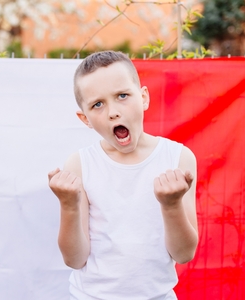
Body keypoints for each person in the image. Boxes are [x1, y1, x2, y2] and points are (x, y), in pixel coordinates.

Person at [48, 50, 198, 299]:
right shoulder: (80, 164)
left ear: (144, 98)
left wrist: (171, 206)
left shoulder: (178, 159)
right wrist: (69, 205)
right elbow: (74, 259)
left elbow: (184, 254)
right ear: (85, 119)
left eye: (122, 96)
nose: (113, 112)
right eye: (98, 104)